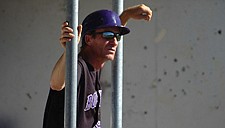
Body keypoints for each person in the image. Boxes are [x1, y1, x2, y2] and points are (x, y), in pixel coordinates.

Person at [43, 4, 152, 128]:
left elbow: (109, 37)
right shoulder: (79, 66)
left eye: (117, 37)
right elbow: (56, 84)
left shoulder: (95, 64)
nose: (115, 42)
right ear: (89, 39)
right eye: (108, 36)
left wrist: (126, 15)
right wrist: (69, 50)